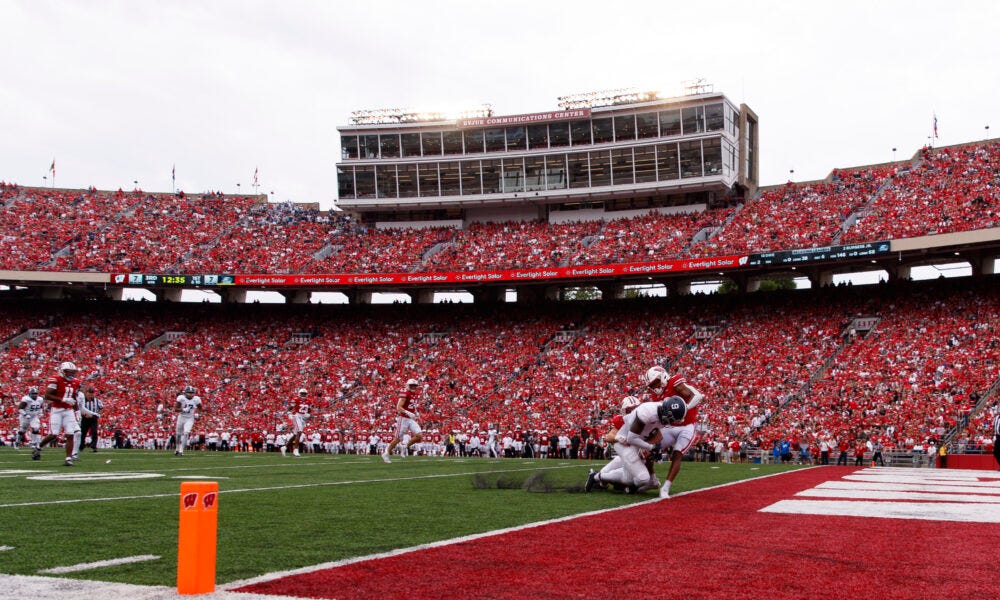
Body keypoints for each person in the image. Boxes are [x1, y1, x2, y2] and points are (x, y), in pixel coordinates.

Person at [643, 365, 705, 499]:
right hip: (669, 427)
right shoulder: (656, 395)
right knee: (649, 449)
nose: (656, 386)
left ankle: (666, 487)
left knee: (677, 454)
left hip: (687, 425)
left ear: (663, 376)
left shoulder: (675, 381)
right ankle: (652, 481)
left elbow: (698, 396)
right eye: (653, 385)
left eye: (656, 382)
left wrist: (685, 408)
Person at [37, 362, 82, 466]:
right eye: (69, 372)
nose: (71, 374)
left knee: (70, 434)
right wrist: (63, 399)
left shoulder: (76, 382)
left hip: (68, 411)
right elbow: (47, 395)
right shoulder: (56, 379)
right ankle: (38, 447)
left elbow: (74, 397)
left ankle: (68, 459)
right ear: (62, 371)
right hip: (57, 410)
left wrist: (77, 411)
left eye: (73, 372)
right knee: (54, 434)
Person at [381, 378, 423, 463]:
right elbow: (398, 407)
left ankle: (405, 446)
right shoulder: (405, 393)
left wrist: (415, 411)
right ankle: (386, 453)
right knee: (397, 439)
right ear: (408, 385)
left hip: (410, 419)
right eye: (412, 385)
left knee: (419, 435)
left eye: (415, 386)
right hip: (403, 418)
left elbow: (412, 405)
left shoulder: (414, 394)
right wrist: (408, 412)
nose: (413, 387)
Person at [173, 385, 205, 456]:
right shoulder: (181, 398)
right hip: (181, 417)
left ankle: (181, 450)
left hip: (190, 418)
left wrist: (198, 414)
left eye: (192, 392)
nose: (191, 394)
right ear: (185, 393)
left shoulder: (196, 399)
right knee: (178, 434)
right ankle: (177, 448)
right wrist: (182, 410)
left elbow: (200, 408)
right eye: (189, 392)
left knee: (186, 432)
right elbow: (175, 409)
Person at [281, 388, 311, 457]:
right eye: (302, 393)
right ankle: (296, 450)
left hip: (303, 418)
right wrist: (289, 413)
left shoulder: (309, 401)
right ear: (299, 394)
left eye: (304, 394)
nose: (303, 395)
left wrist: (308, 414)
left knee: (295, 434)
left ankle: (284, 447)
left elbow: (309, 409)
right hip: (297, 416)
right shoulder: (296, 399)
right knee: (299, 432)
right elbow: (289, 408)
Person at [17, 387, 44, 458]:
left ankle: (33, 443)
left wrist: (40, 412)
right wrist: (25, 414)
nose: (35, 395)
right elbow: (20, 408)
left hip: (34, 416)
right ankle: (17, 441)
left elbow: (41, 407)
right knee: (22, 430)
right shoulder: (26, 399)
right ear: (29, 394)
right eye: (33, 394)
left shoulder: (40, 399)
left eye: (36, 394)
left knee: (36, 428)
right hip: (25, 416)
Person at [77, 386, 104, 452]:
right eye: (89, 393)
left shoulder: (97, 400)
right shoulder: (82, 400)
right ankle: (81, 446)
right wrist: (85, 414)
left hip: (93, 418)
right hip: (85, 418)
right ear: (86, 393)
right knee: (83, 433)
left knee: (94, 432)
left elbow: (101, 408)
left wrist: (97, 414)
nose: (91, 395)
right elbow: (79, 409)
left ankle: (94, 447)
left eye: (92, 394)